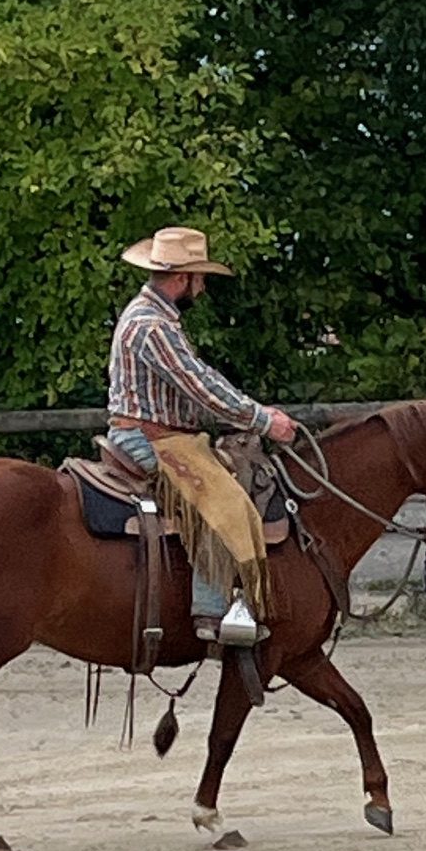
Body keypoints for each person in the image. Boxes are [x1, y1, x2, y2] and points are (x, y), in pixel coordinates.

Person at [107, 226, 297, 641]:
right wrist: (263, 420)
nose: (203, 286)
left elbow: (194, 385)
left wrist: (244, 414)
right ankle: (212, 614)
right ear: (182, 278)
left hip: (164, 434)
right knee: (225, 502)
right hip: (151, 440)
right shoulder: (152, 327)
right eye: (200, 277)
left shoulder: (155, 319)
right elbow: (200, 384)